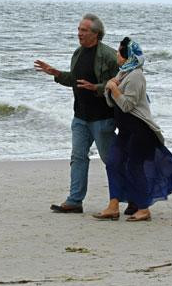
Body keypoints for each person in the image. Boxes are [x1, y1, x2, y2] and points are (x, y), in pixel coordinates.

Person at [93, 37, 172, 222]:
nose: (116, 55)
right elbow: (110, 101)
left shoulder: (136, 75)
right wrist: (110, 88)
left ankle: (143, 209)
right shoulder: (122, 74)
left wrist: (114, 89)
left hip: (140, 131)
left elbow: (128, 105)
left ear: (128, 56)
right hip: (126, 132)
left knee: (134, 167)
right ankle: (113, 207)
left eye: (119, 52)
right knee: (113, 163)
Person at [34, 13, 119, 213]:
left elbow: (119, 82)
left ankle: (126, 200)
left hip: (102, 118)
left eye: (84, 30)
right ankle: (74, 201)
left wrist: (96, 88)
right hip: (80, 116)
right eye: (79, 29)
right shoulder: (78, 53)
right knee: (78, 157)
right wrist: (56, 73)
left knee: (112, 160)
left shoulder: (108, 55)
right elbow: (75, 79)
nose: (79, 33)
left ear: (96, 34)